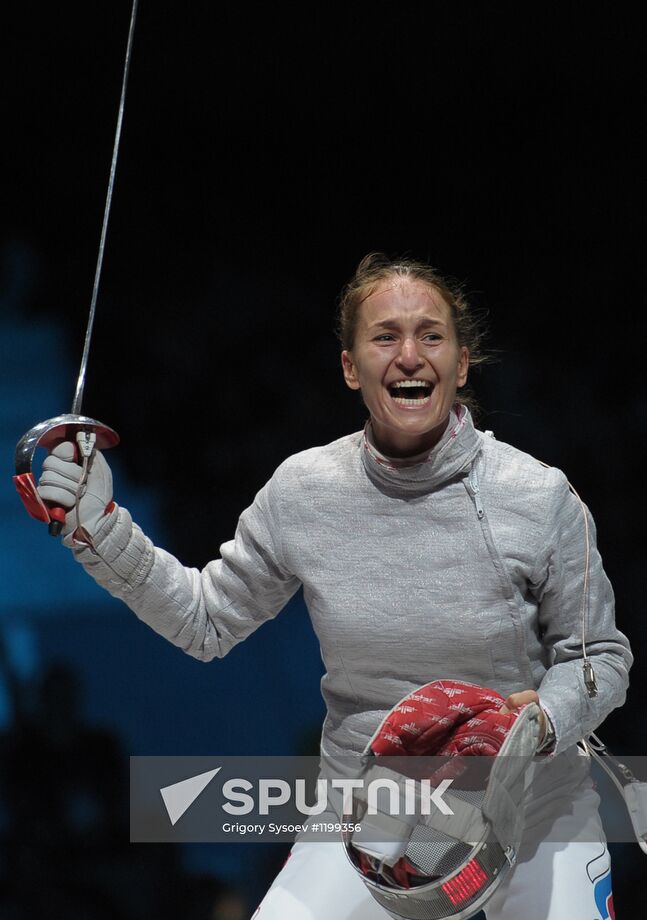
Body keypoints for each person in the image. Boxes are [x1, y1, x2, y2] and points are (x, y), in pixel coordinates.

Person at [36, 253, 632, 919]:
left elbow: (598, 658)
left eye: (431, 335)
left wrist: (543, 722)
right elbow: (206, 622)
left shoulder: (537, 495)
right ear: (351, 366)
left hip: (533, 810)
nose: (409, 355)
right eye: (385, 337)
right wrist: (100, 530)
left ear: (461, 364)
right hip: (369, 816)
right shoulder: (305, 490)